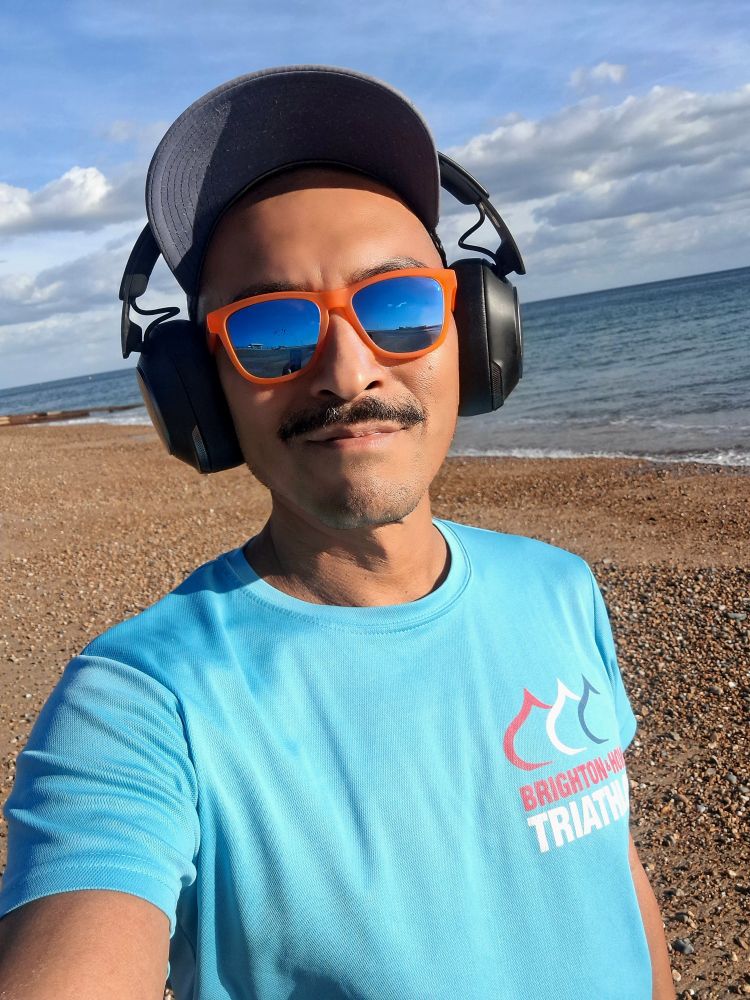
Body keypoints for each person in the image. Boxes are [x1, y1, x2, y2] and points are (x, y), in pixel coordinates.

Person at [0, 66, 674, 999]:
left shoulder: (561, 589)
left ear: (474, 333)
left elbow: (611, 876)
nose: (346, 372)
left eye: (399, 305)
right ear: (200, 391)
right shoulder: (141, 705)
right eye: (269, 331)